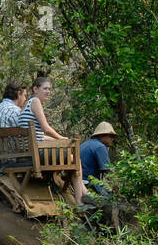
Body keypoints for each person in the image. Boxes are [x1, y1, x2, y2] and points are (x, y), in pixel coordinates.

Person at [18, 72, 86, 201]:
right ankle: (80, 200)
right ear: (35, 89)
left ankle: (83, 193)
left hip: (27, 150)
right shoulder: (36, 101)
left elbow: (39, 135)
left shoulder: (26, 104)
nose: (48, 91)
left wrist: (57, 139)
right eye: (45, 88)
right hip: (36, 153)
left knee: (69, 156)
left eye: (49, 89)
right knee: (74, 159)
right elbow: (46, 129)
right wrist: (61, 139)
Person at [79, 121, 117, 195]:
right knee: (110, 200)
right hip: (88, 182)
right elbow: (109, 172)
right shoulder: (100, 147)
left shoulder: (85, 144)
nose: (112, 139)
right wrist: (118, 190)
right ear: (102, 135)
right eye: (111, 136)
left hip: (78, 180)